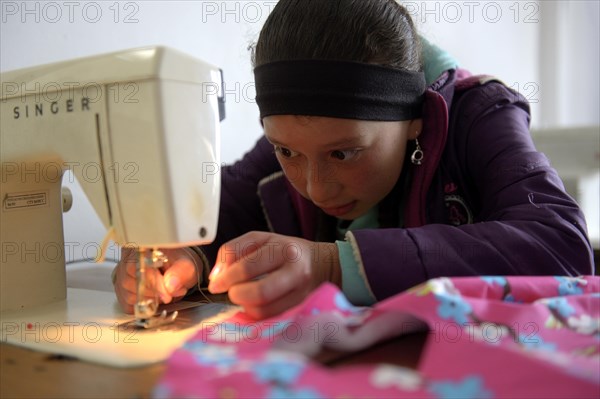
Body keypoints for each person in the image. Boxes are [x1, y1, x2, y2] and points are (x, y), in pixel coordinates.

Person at [113, 0, 594, 320]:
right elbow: (223, 206)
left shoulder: (481, 116)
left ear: (415, 118)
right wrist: (176, 254)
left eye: (344, 153)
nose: (316, 187)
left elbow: (561, 248)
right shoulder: (302, 140)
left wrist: (334, 266)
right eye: (286, 151)